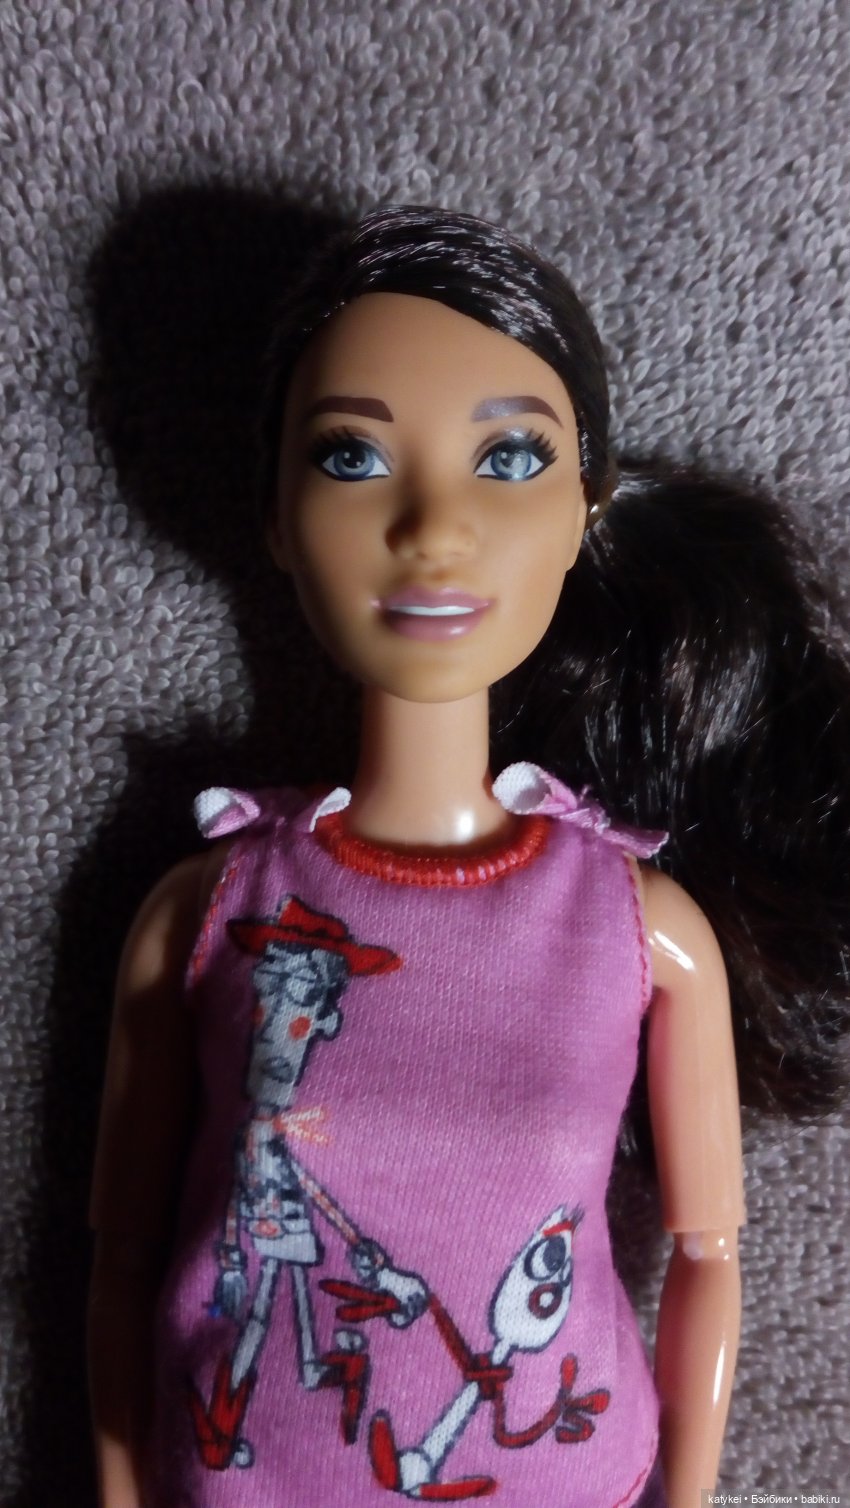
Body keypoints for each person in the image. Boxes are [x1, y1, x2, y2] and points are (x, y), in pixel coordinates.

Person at [88, 207, 850, 1508]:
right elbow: (116, 1252)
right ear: (274, 516)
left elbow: (709, 1255)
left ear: (582, 510)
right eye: (351, 456)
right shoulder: (207, 908)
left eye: (508, 457)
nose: (432, 528)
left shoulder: (639, 927)